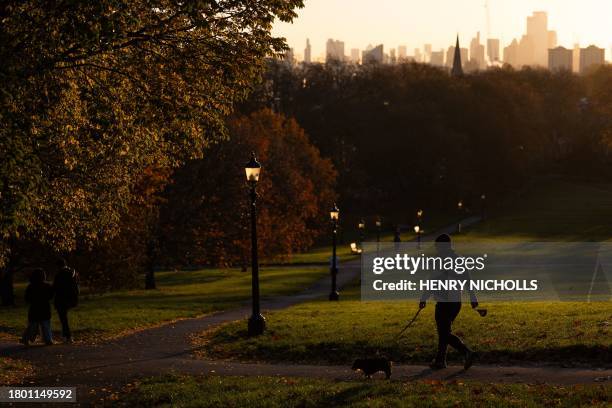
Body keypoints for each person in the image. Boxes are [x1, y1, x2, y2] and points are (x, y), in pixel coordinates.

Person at [419, 234, 478, 370]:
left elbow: (432, 282)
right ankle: (440, 361)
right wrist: (472, 297)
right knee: (444, 331)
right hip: (456, 302)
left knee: (444, 333)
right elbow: (467, 279)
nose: (436, 248)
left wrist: (424, 298)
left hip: (444, 302)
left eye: (437, 246)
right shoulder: (458, 259)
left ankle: (466, 352)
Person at [21, 268, 54, 346]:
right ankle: (48, 339)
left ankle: (26, 338)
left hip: (34, 308)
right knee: (46, 325)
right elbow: (51, 296)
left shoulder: (31, 286)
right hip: (44, 308)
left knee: (32, 326)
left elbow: (27, 298)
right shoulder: (47, 286)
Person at [53, 259, 79, 343]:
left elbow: (55, 287)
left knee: (63, 318)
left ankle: (68, 336)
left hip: (62, 298)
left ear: (58, 266)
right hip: (71, 298)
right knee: (64, 318)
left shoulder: (60, 274)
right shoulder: (73, 272)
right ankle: (66, 336)